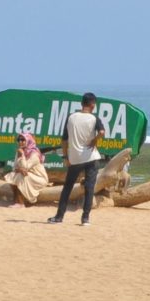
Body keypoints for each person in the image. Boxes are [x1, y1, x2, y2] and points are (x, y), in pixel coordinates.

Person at [49, 92, 106, 226]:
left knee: (67, 187)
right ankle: (85, 218)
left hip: (74, 158)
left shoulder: (71, 117)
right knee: (89, 187)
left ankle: (59, 217)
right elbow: (102, 132)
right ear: (93, 105)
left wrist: (65, 156)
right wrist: (94, 140)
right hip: (91, 157)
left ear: (82, 104)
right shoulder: (94, 118)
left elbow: (64, 140)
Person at [5, 132, 49, 206]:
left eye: (22, 140)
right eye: (18, 140)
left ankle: (20, 202)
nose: (20, 142)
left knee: (20, 176)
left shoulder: (34, 154)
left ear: (28, 140)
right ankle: (17, 200)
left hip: (39, 178)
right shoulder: (21, 151)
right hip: (28, 175)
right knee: (12, 175)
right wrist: (19, 169)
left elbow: (25, 167)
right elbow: (15, 167)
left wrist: (21, 156)